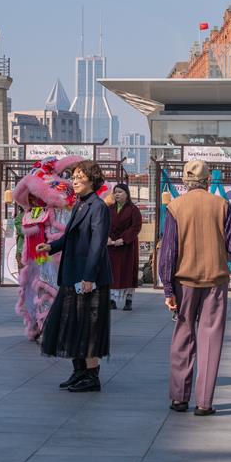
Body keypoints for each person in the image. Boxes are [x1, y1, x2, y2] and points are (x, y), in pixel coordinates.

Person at [159, 160, 231, 416]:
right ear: (209, 181)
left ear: (185, 182)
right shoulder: (221, 205)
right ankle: (204, 403)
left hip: (183, 282)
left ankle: (179, 398)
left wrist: (168, 289)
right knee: (211, 339)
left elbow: (168, 251)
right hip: (216, 281)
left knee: (182, 337)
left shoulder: (175, 207)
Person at [41, 160, 112, 393]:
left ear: (92, 179)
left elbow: (97, 245)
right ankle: (79, 370)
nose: (75, 180)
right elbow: (70, 237)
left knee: (90, 328)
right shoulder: (81, 205)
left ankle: (92, 376)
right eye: (73, 177)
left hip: (88, 279)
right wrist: (50, 247)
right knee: (72, 324)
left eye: (80, 176)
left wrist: (89, 277)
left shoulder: (98, 207)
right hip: (73, 275)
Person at [12, 155, 81, 341]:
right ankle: (39, 324)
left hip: (55, 254)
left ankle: (51, 325)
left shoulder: (65, 204)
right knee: (36, 286)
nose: (35, 199)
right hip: (37, 254)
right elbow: (20, 227)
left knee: (51, 285)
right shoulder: (30, 212)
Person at [108, 183, 143, 311]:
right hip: (112, 245)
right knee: (113, 272)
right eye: (115, 192)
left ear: (127, 194)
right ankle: (111, 299)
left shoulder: (133, 209)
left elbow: (136, 227)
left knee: (127, 272)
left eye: (120, 192)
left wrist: (123, 239)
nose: (117, 194)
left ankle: (128, 300)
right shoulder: (109, 209)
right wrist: (109, 238)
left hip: (128, 246)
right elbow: (105, 224)